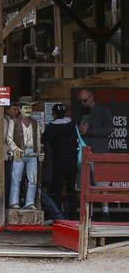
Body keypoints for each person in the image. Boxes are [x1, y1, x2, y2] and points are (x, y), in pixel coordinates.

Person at [78, 88, 114, 220]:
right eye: (81, 101)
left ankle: (105, 212)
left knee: (101, 184)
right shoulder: (81, 113)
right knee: (88, 184)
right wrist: (81, 129)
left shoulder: (103, 111)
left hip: (99, 151)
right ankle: (90, 213)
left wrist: (90, 131)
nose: (83, 103)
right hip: (85, 152)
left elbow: (110, 129)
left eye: (85, 100)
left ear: (92, 97)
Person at [43, 103, 79, 219]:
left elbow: (45, 140)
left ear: (53, 114)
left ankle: (58, 216)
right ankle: (73, 215)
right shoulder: (72, 124)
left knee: (57, 189)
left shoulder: (52, 127)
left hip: (58, 162)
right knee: (71, 188)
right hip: (72, 161)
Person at [6, 96, 42, 210]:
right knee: (16, 178)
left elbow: (38, 139)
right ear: (20, 109)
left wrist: (39, 151)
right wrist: (15, 149)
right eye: (26, 107)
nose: (28, 110)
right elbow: (9, 139)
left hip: (32, 153)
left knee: (33, 179)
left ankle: (30, 203)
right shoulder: (13, 122)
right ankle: (14, 202)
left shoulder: (35, 123)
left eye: (30, 108)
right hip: (19, 153)